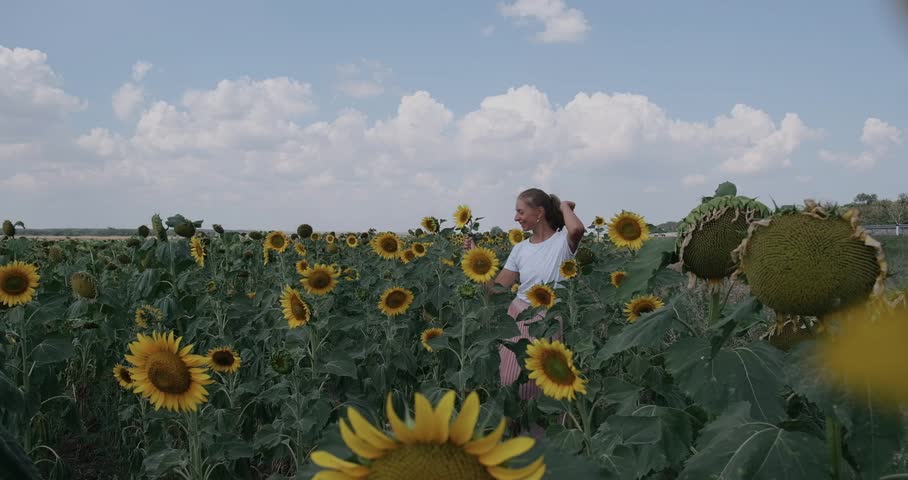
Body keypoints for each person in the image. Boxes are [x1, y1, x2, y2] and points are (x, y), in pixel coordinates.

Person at [464, 188, 585, 399]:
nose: (516, 218)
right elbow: (495, 289)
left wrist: (564, 206)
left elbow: (576, 230)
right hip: (518, 317)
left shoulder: (562, 243)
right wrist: (477, 261)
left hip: (549, 318)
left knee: (545, 384)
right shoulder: (519, 249)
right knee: (512, 382)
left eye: (520, 212)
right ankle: (515, 429)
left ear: (539, 212)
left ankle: (540, 431)